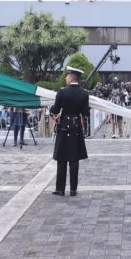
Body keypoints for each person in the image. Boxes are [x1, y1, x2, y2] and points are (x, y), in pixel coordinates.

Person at [50, 66, 90, 196]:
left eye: (67, 76)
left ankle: (60, 189)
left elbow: (55, 110)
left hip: (64, 126)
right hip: (76, 127)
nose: (66, 78)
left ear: (72, 77)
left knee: (62, 159)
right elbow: (85, 113)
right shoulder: (84, 93)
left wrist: (51, 108)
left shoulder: (62, 92)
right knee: (74, 159)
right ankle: (73, 189)